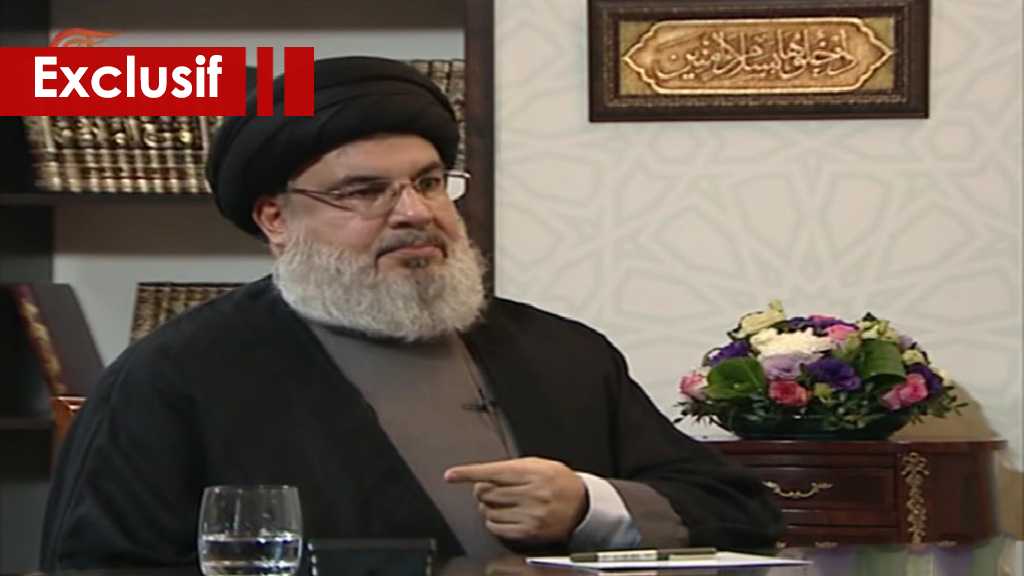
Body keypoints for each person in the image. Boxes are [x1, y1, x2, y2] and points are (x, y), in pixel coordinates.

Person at [40, 56, 782, 569]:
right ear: (275, 218)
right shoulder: (174, 377)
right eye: (364, 192)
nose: (414, 213)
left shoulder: (561, 353)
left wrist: (588, 505)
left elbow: (740, 514)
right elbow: (98, 565)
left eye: (428, 182)